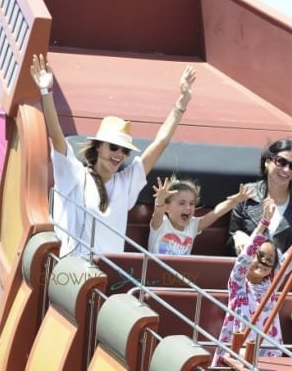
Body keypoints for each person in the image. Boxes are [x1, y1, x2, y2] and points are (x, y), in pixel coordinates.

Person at [29, 54, 196, 257]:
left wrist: (182, 103)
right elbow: (56, 137)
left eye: (124, 150)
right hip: (73, 274)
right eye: (114, 147)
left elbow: (160, 143)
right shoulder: (75, 174)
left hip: (111, 276)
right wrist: (46, 91)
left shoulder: (126, 182)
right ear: (99, 147)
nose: (120, 154)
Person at [212, 198, 292, 366]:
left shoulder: (271, 284)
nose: (263, 262)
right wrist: (263, 223)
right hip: (239, 350)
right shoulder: (238, 283)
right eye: (259, 256)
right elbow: (243, 260)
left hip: (268, 352)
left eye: (269, 259)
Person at [226, 138, 292, 259]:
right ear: (267, 162)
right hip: (248, 271)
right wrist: (237, 236)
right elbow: (230, 245)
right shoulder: (247, 194)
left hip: (288, 274)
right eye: (281, 162)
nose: (286, 169)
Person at [148, 176, 253, 255]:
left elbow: (216, 213)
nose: (188, 207)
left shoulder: (193, 225)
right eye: (182, 203)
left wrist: (235, 201)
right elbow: (158, 209)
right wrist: (160, 199)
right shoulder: (160, 223)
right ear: (167, 207)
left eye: (191, 203)